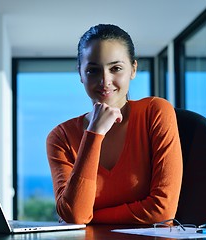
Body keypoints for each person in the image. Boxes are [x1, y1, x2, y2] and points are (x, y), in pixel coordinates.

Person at [46, 24, 182, 225]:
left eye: (116, 68)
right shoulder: (61, 137)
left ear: (133, 69)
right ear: (80, 74)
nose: (105, 81)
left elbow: (162, 211)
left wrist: (91, 219)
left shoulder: (155, 112)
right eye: (93, 70)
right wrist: (94, 133)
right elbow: (75, 214)